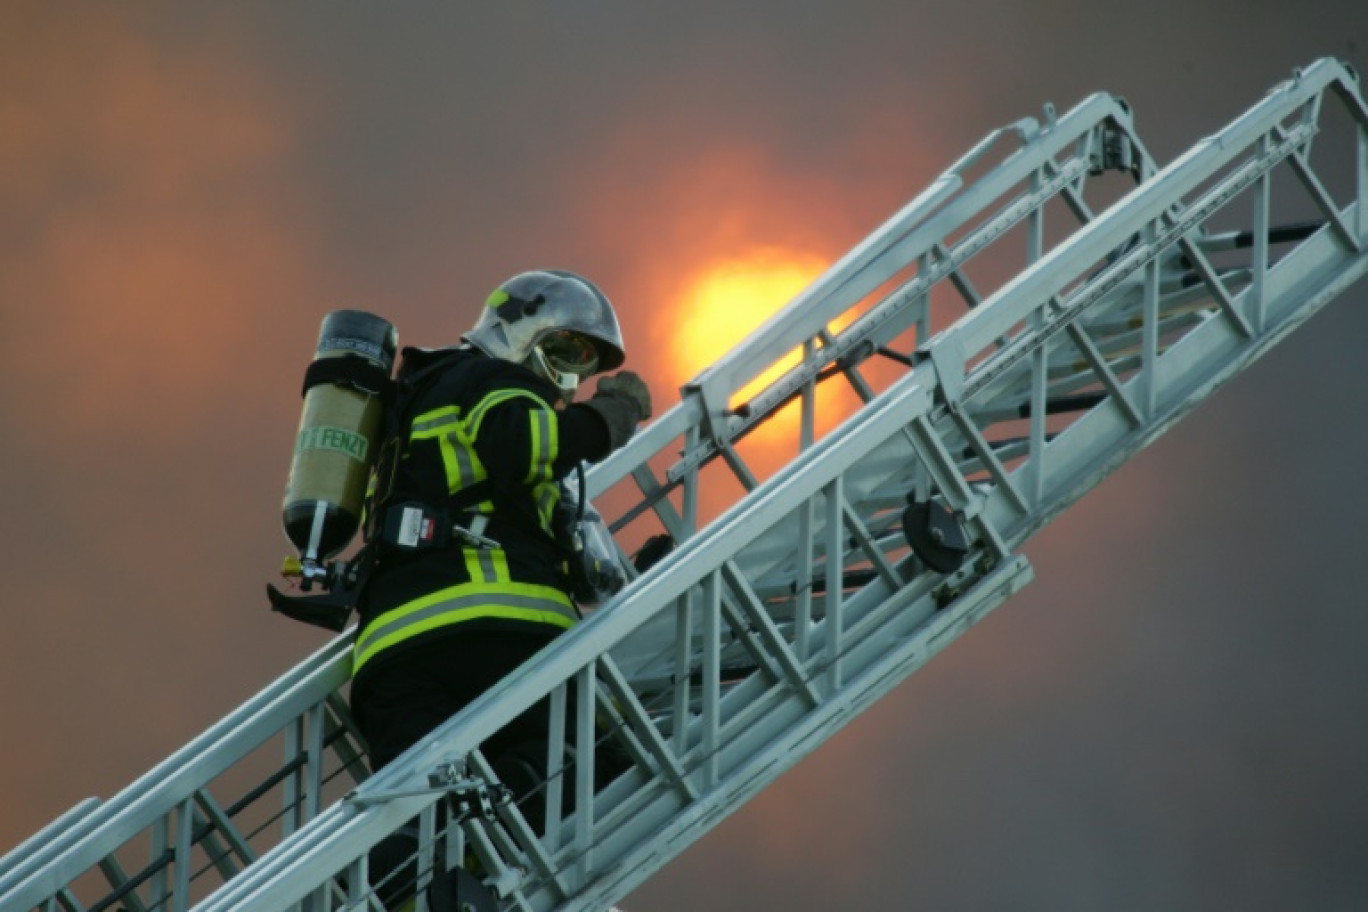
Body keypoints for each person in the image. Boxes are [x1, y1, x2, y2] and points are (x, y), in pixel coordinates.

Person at [349, 269, 651, 910]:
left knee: (415, 812)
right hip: (491, 627)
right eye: (566, 350)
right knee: (599, 756)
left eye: (584, 362)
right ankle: (488, 820)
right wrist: (610, 417)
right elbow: (526, 443)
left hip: (390, 654)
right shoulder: (491, 381)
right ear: (521, 329)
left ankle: (383, 888)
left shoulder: (418, 405)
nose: (570, 375)